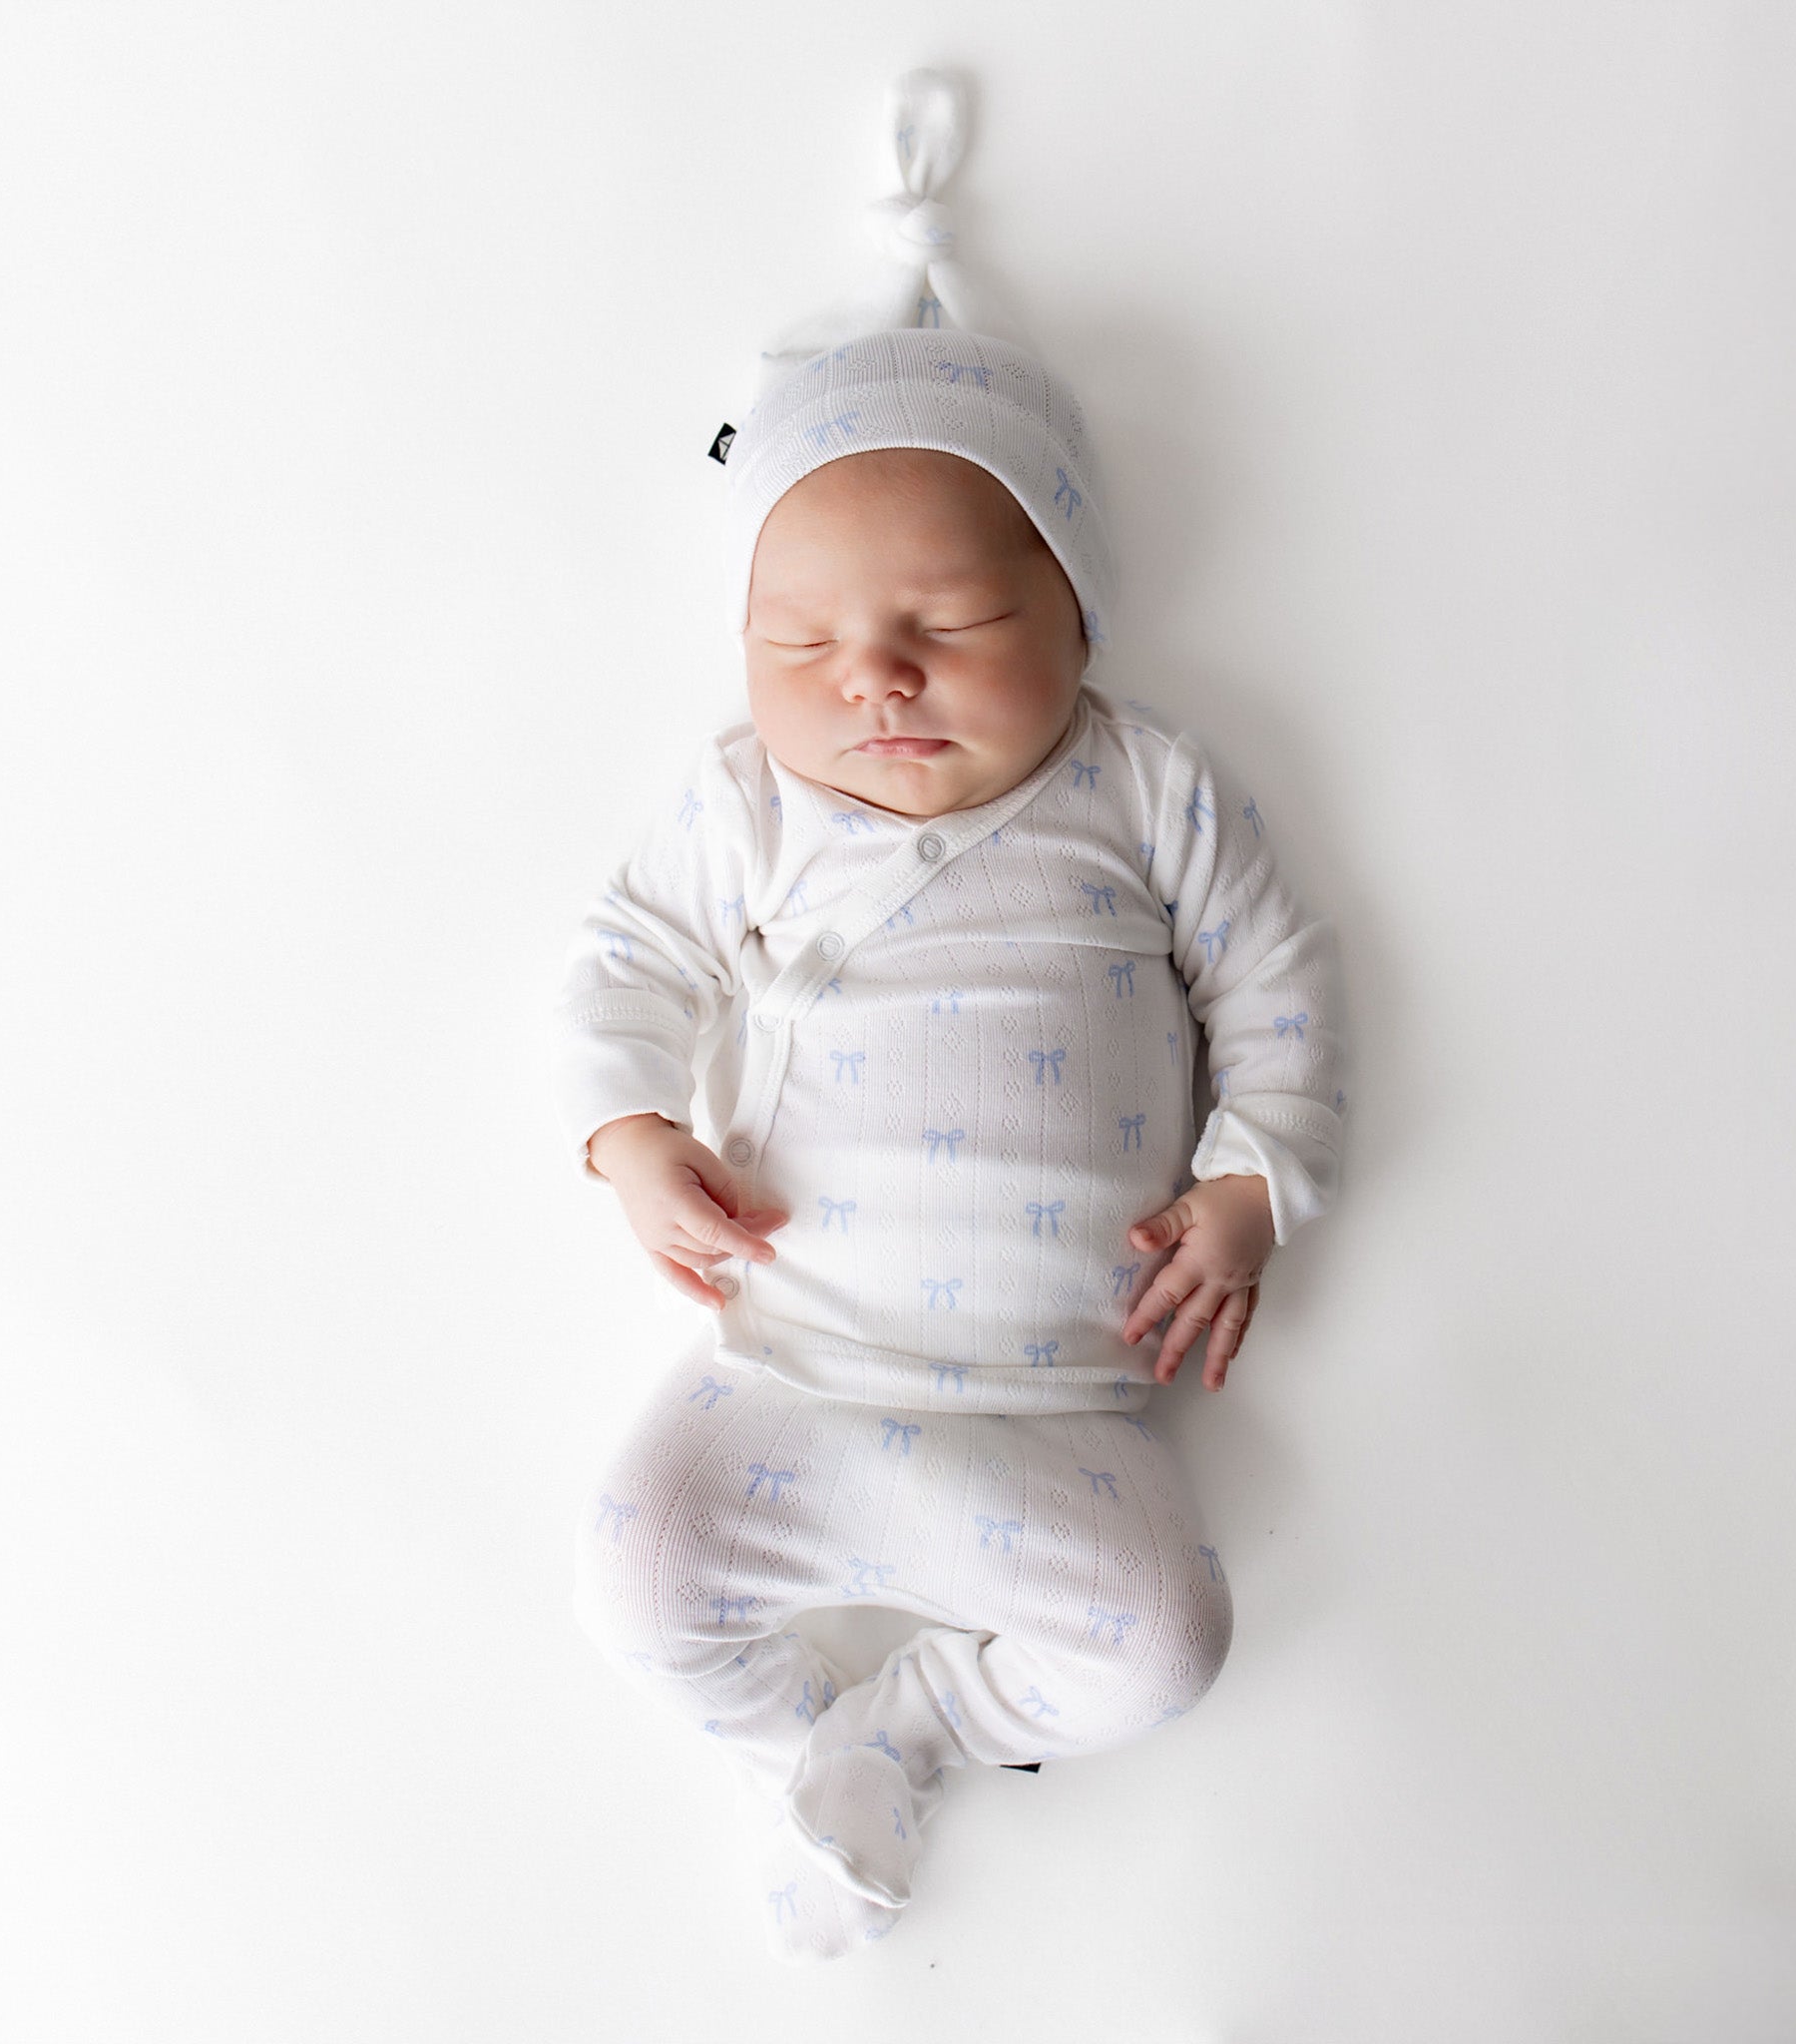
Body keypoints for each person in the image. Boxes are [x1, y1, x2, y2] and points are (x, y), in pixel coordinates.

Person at [551, 72, 1347, 1962]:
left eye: (952, 623)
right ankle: (798, 1758)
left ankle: (913, 1727)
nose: (875, 680)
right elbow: (626, 961)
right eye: (804, 644)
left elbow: (1276, 980)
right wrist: (629, 1132)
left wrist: (1253, 1187)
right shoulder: (746, 800)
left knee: (1167, 1642)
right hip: (793, 1385)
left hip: (1056, 1417)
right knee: (638, 1584)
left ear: (1072, 610)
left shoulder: (1146, 788)